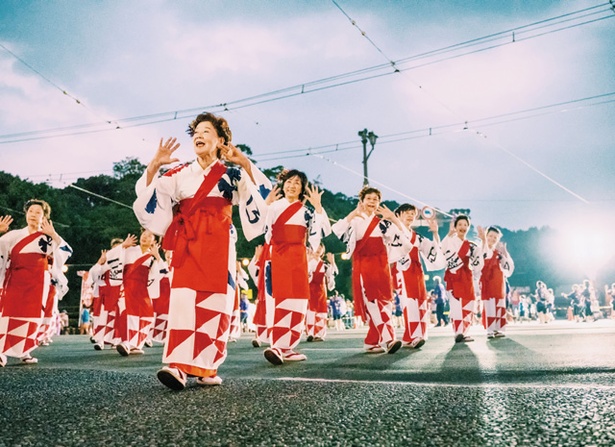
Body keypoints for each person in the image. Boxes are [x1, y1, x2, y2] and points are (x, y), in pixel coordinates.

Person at [133, 112, 270, 390]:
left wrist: (243, 161)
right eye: (196, 131)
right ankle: (177, 367)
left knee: (214, 305)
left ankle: (207, 366)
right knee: (183, 302)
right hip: (187, 244)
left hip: (220, 244)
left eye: (207, 131)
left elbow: (263, 196)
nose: (199, 135)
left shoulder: (233, 174)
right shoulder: (180, 172)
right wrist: (154, 165)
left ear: (221, 141)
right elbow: (148, 195)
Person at [261, 169, 329, 365]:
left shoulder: (306, 211)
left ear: (302, 189)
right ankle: (277, 345)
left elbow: (320, 233)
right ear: (283, 185)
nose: (292, 186)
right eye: (289, 182)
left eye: (297, 183)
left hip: (299, 257)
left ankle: (288, 347)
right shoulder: (274, 207)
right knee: (281, 301)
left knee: (298, 302)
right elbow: (264, 232)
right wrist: (265, 204)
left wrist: (318, 207)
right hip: (279, 256)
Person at [331, 186, 410, 354]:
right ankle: (389, 339)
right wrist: (353, 213)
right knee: (374, 302)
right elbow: (337, 230)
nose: (372, 202)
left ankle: (371, 341)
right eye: (369, 199)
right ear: (362, 201)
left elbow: (405, 239)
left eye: (376, 199)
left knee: (384, 302)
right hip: (364, 265)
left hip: (381, 265)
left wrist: (394, 219)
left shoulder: (382, 223)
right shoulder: (355, 221)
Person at [0, 200, 72, 367]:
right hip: (15, 279)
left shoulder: (48, 237)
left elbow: (66, 251)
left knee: (32, 317)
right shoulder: (14, 235)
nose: (33, 215)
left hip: (39, 282)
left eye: (38, 212)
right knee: (8, 315)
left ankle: (24, 351)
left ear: (44, 217)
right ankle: (1, 352)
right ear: (26, 214)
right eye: (30, 211)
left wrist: (54, 235)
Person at [392, 204, 444, 349]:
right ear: (398, 215)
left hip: (417, 272)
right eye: (407, 213)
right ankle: (413, 336)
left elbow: (433, 250)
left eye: (413, 214)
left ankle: (413, 336)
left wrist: (435, 233)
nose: (410, 216)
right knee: (409, 304)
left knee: (421, 303)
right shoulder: (394, 232)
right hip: (403, 271)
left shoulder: (417, 237)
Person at [441, 215, 483, 343]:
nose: (463, 227)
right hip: (453, 276)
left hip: (466, 276)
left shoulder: (471, 245)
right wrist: (449, 234)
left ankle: (464, 332)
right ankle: (458, 332)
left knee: (469, 304)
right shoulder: (450, 240)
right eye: (460, 224)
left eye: (465, 225)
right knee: (455, 306)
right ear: (455, 227)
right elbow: (441, 250)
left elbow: (478, 261)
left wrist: (483, 241)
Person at [477, 226, 514, 339]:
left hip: (499, 282)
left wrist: (505, 253)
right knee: (489, 305)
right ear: (486, 235)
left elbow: (508, 268)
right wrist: (483, 241)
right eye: (490, 236)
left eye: (495, 237)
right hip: (487, 281)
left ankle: (499, 329)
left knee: (499, 304)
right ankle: (490, 330)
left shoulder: (499, 252)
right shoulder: (481, 248)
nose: (492, 239)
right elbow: (480, 262)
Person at [306, 246, 337, 342]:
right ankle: (310, 333)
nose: (318, 249)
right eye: (317, 247)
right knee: (310, 312)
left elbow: (332, 276)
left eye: (321, 247)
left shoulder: (325, 265)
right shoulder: (308, 262)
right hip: (310, 289)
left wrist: (332, 263)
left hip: (321, 290)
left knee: (321, 312)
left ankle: (319, 334)